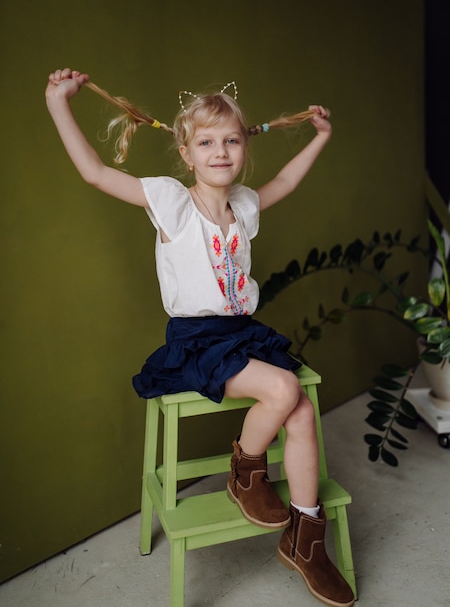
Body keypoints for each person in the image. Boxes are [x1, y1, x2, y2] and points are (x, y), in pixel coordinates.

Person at [45, 68, 354, 607]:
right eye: (206, 142)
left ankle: (306, 540)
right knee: (284, 391)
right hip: (197, 340)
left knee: (301, 411)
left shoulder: (245, 205)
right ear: (186, 154)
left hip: (241, 333)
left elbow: (284, 184)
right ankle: (244, 471)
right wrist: (57, 103)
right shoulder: (172, 203)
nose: (220, 151)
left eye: (231, 140)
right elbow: (95, 173)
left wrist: (322, 139)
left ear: (243, 149)